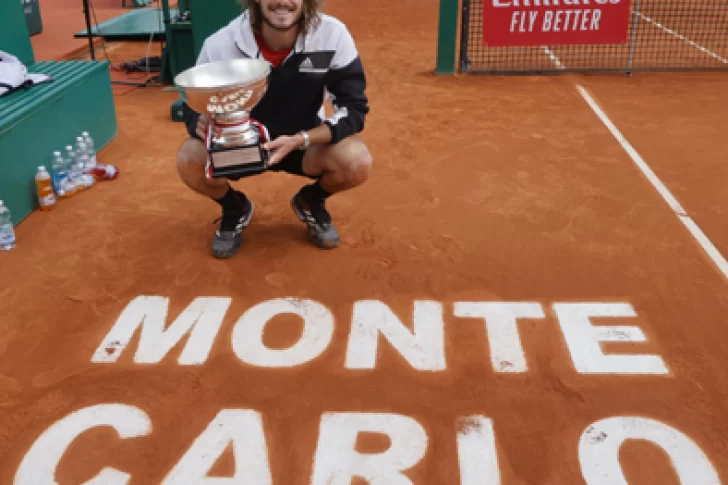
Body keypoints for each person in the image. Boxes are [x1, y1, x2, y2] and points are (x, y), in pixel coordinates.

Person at [177, 0, 373, 259]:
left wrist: (302, 139)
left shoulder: (331, 35)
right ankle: (235, 209)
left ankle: (311, 201)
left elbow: (353, 108)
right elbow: (193, 105)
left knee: (356, 161)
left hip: (304, 145)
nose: (283, 1)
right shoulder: (221, 44)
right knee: (189, 158)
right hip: (242, 147)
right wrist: (200, 123)